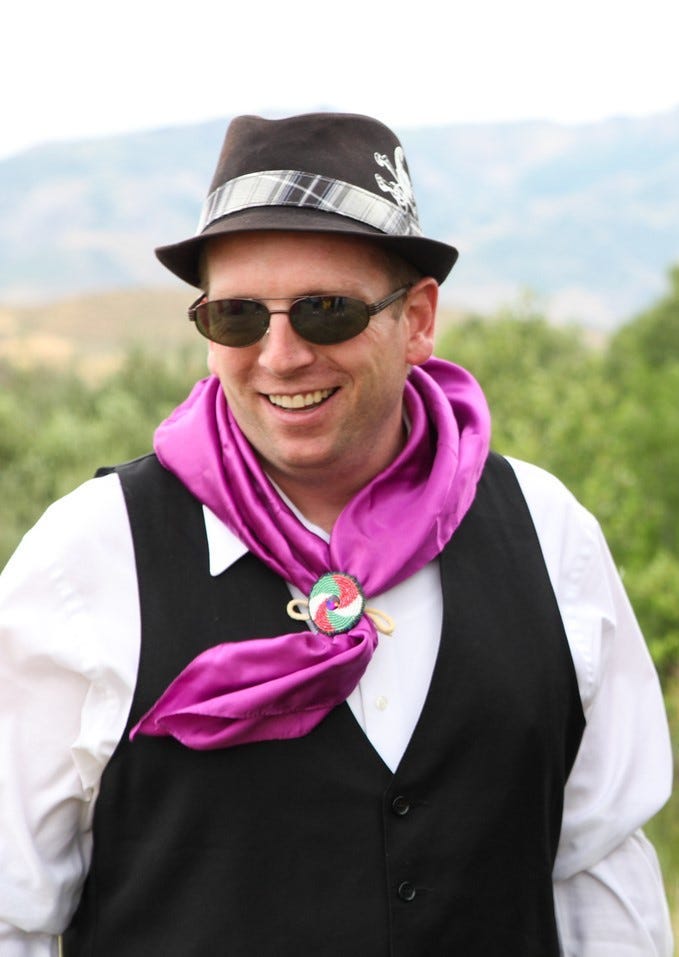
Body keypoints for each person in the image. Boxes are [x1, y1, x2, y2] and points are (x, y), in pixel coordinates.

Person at [0, 112, 673, 956]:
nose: (279, 355)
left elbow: (597, 875)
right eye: (238, 317)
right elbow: (12, 908)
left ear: (418, 319)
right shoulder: (86, 557)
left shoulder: (548, 533)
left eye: (324, 311)